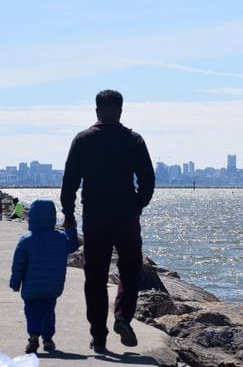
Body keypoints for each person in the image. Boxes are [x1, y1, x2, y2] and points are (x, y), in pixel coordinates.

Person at [60, 90, 155, 353]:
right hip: (126, 216)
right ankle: (123, 316)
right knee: (130, 269)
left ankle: (98, 337)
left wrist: (68, 214)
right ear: (121, 111)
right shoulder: (133, 140)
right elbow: (148, 181)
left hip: (95, 217)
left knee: (95, 277)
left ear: (97, 111)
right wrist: (136, 205)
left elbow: (70, 182)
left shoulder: (83, 139)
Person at [9, 199, 80, 354]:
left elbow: (18, 265)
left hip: (31, 288)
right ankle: (48, 339)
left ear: (32, 216)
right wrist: (71, 228)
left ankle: (33, 336)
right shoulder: (60, 238)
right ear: (52, 217)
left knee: (32, 312)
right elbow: (73, 245)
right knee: (49, 312)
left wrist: (15, 283)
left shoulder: (26, 240)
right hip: (52, 287)